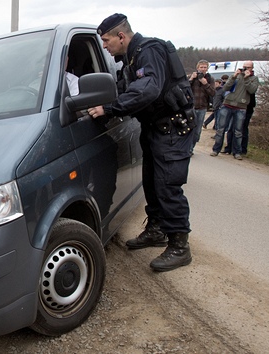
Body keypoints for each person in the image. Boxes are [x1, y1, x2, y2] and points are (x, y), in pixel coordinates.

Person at [88, 14, 193, 271]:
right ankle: (157, 230)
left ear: (120, 36)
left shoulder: (149, 51)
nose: (104, 46)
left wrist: (110, 108)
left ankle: (180, 246)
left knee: (168, 185)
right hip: (155, 128)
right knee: (152, 182)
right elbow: (125, 89)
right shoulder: (130, 59)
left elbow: (148, 89)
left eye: (105, 40)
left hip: (172, 128)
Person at [210, 61, 259, 160]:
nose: (245, 69)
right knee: (221, 129)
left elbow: (252, 90)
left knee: (238, 131)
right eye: (244, 67)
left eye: (248, 67)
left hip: (241, 107)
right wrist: (233, 76)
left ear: (252, 68)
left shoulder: (254, 79)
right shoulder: (236, 76)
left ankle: (237, 152)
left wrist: (246, 79)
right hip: (227, 104)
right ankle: (216, 150)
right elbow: (226, 87)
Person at [188, 60, 215, 154]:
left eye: (205, 67)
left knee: (197, 131)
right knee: (188, 129)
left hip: (202, 108)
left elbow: (213, 93)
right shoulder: (192, 77)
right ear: (197, 68)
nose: (203, 69)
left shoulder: (209, 79)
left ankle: (191, 148)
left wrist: (205, 83)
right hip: (191, 107)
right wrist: (191, 79)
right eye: (201, 67)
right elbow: (184, 89)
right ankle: (187, 149)